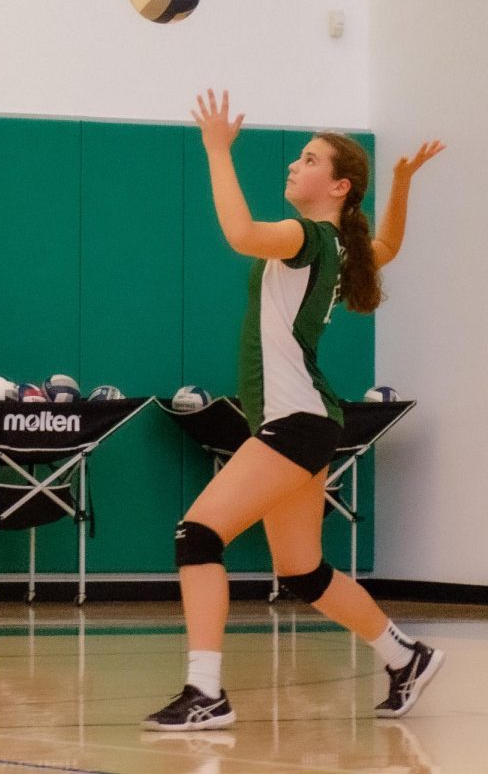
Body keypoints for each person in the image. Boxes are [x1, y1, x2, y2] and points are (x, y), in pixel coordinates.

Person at [144, 90, 447, 731]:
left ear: (336, 186)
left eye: (307, 159)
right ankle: (404, 655)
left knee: (197, 537)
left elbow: (238, 233)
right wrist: (398, 181)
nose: (292, 165)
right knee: (302, 568)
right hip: (308, 421)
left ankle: (206, 692)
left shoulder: (307, 238)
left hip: (295, 420)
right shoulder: (343, 246)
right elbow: (387, 240)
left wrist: (217, 151)